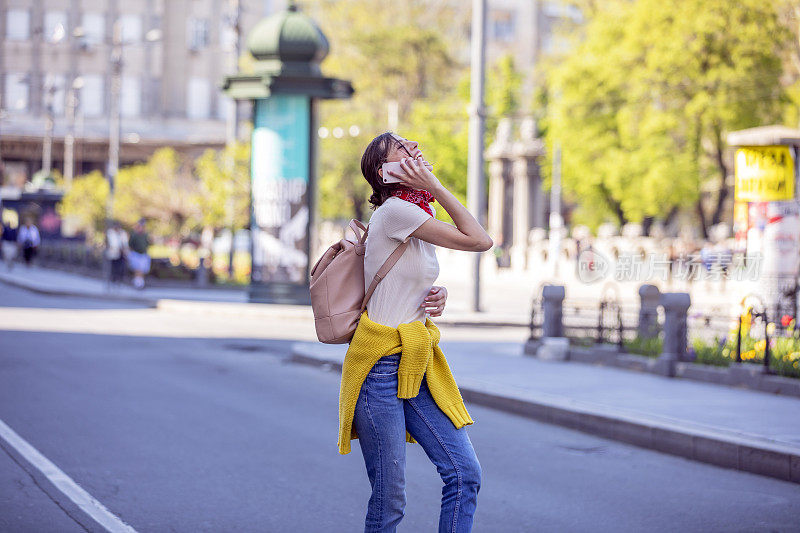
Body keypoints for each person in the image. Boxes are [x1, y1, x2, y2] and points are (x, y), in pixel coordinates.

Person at [339, 132, 492, 532]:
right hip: (379, 370)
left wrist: (434, 295)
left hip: (414, 363)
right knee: (389, 501)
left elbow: (406, 282)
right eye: (404, 149)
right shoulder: (394, 212)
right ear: (385, 171)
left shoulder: (414, 213)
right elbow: (480, 240)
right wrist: (436, 186)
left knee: (464, 474)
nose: (415, 149)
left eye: (415, 145)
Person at [127, 219, 151, 289]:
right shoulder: (134, 235)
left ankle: (141, 283)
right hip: (136, 254)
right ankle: (137, 283)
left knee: (142, 269)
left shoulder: (146, 235)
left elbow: (148, 244)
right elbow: (130, 244)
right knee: (137, 269)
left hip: (143, 254)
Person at [105, 221, 129, 288]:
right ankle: (113, 280)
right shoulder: (110, 233)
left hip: (121, 254)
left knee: (121, 268)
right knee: (113, 268)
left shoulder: (122, 233)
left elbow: (125, 243)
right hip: (113, 253)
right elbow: (108, 243)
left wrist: (125, 251)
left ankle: (119, 280)